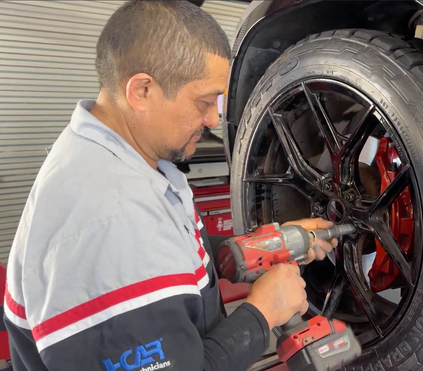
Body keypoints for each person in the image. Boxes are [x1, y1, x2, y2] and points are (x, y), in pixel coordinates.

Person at [2, 1, 337, 370]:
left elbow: (162, 248)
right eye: (204, 102)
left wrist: (255, 246)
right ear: (142, 91)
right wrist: (262, 313)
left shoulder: (117, 157)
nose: (213, 118)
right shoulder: (111, 218)